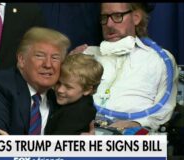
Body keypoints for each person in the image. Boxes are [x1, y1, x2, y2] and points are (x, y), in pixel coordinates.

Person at [71, 3, 179, 132]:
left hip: (132, 137)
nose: (109, 24)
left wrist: (136, 123)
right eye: (104, 17)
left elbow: (165, 107)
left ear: (136, 18)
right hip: (82, 132)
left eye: (118, 16)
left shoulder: (160, 60)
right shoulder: (87, 54)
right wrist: (68, 63)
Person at [45, 54, 103, 135]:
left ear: (87, 90)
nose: (60, 90)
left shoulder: (79, 113)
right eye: (58, 82)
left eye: (68, 87)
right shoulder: (73, 99)